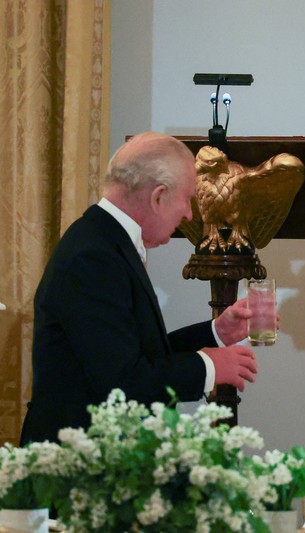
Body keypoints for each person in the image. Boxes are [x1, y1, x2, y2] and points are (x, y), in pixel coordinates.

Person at [20, 132, 259, 445]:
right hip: (75, 459)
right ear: (158, 197)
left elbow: (138, 355)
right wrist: (209, 367)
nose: (189, 214)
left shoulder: (103, 240)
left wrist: (215, 333)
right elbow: (124, 382)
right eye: (187, 199)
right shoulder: (92, 257)